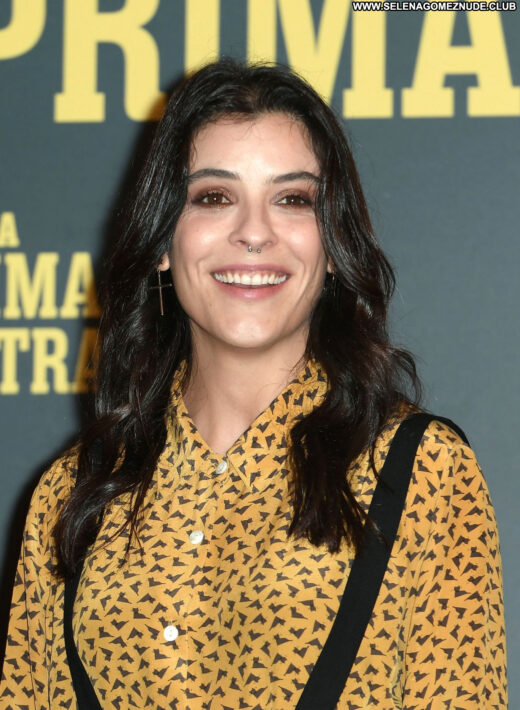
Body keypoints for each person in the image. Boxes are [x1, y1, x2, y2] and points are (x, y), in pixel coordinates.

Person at [0, 60, 506, 709]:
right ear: (163, 241)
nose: (254, 232)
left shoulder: (420, 472)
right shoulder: (72, 494)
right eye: (214, 197)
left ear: (332, 245)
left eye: (292, 199)